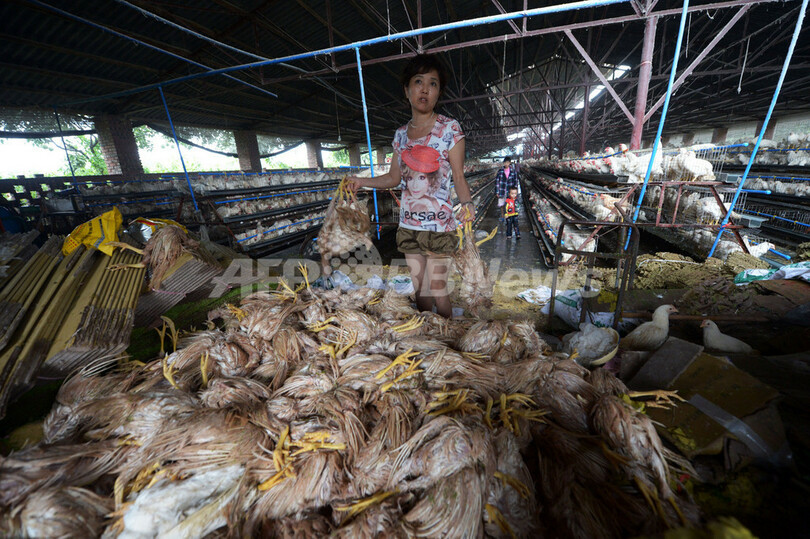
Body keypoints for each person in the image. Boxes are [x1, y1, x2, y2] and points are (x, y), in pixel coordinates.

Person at [346, 54, 474, 319]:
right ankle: (428, 332)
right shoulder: (401, 135)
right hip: (409, 225)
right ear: (407, 90)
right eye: (418, 81)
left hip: (439, 226)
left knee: (438, 287)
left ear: (439, 92)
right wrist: (362, 181)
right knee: (420, 289)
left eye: (433, 83)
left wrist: (468, 204)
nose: (425, 88)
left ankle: (448, 333)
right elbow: (393, 178)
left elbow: (459, 176)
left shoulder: (450, 129)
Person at [495, 156, 518, 221]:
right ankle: (502, 216)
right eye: (505, 162)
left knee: (509, 204)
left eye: (507, 162)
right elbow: (497, 182)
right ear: (503, 163)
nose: (506, 164)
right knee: (501, 204)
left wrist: (515, 192)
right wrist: (497, 192)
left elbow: (515, 181)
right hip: (501, 190)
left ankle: (508, 216)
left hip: (510, 191)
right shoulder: (500, 171)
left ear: (510, 163)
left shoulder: (513, 171)